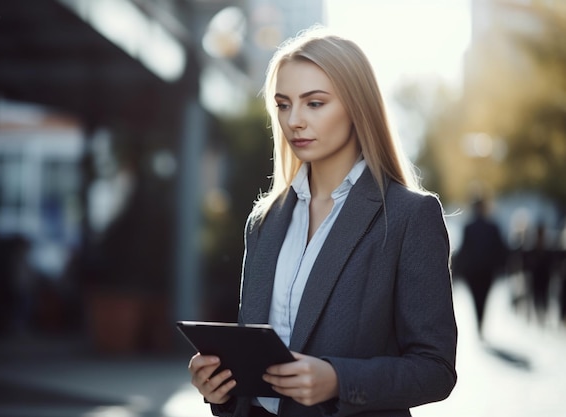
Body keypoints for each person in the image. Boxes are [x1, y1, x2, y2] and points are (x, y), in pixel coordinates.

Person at [188, 26, 457, 417]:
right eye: (283, 104)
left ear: (356, 106)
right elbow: (255, 365)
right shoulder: (263, 221)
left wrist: (338, 380)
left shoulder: (409, 217)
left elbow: (436, 370)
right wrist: (220, 389)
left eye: (314, 103)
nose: (294, 120)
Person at [454, 197, 508, 339]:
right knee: (483, 297)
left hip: (473, 271)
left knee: (477, 298)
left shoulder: (469, 227)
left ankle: (479, 322)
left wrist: (458, 269)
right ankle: (480, 322)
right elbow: (500, 249)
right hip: (487, 270)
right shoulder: (492, 226)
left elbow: (464, 250)